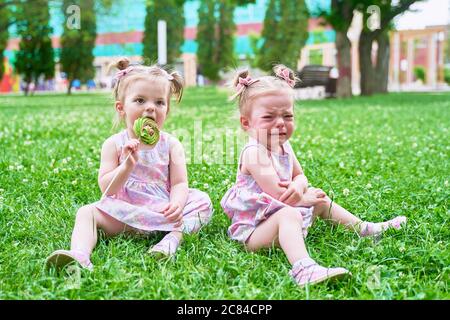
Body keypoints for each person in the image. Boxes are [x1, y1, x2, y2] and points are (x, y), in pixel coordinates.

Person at [221, 65, 406, 287]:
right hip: (256, 230)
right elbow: (277, 195)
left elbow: (300, 176)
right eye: (269, 116)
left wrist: (301, 187)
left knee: (319, 201)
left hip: (281, 210)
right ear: (246, 123)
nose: (280, 122)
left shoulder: (284, 145)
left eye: (287, 115)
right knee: (290, 215)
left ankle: (364, 229)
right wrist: (303, 198)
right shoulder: (254, 153)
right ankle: (303, 269)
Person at [47, 57, 213, 270]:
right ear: (121, 107)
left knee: (202, 202)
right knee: (86, 212)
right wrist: (126, 165)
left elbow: (180, 183)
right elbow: (106, 188)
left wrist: (177, 205)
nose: (151, 108)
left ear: (167, 111)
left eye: (159, 102)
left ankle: (170, 241)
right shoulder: (114, 145)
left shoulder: (171, 145)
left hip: (160, 213)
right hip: (125, 213)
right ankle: (79, 255)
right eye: (140, 100)